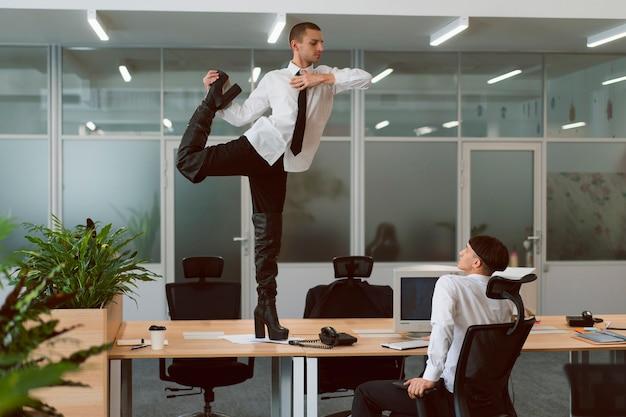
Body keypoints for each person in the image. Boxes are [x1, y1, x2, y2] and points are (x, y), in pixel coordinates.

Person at [176, 22, 372, 341]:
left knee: (269, 234)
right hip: (260, 145)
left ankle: (266, 308)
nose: (320, 48)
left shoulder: (327, 79)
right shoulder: (275, 79)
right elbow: (242, 115)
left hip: (282, 162)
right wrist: (213, 97)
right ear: (295, 44)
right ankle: (206, 105)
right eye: (314, 42)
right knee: (188, 162)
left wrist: (321, 77)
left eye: (322, 42)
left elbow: (364, 79)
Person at [351, 235, 512, 417]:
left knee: (365, 392)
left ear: (476, 262)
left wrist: (429, 378)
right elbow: (481, 336)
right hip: (486, 398)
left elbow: (443, 325)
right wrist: (445, 337)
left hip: (451, 397)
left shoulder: (450, 283)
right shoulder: (505, 297)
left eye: (466, 250)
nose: (461, 252)